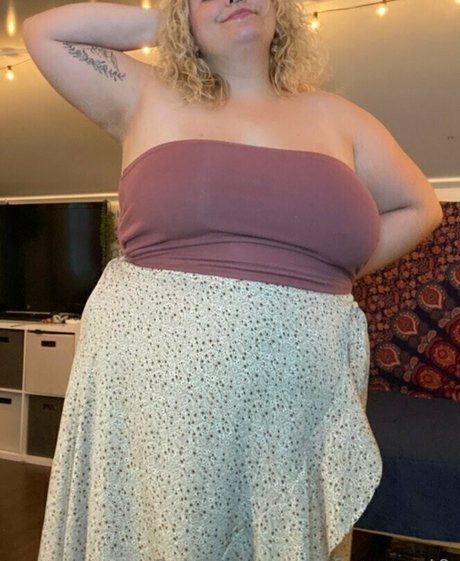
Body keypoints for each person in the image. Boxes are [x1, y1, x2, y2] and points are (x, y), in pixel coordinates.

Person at [22, 1, 443, 560]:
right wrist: (175, 23)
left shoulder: (341, 118)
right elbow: (44, 32)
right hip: (157, 397)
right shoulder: (145, 93)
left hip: (297, 396)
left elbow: (420, 207)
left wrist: (321, 276)